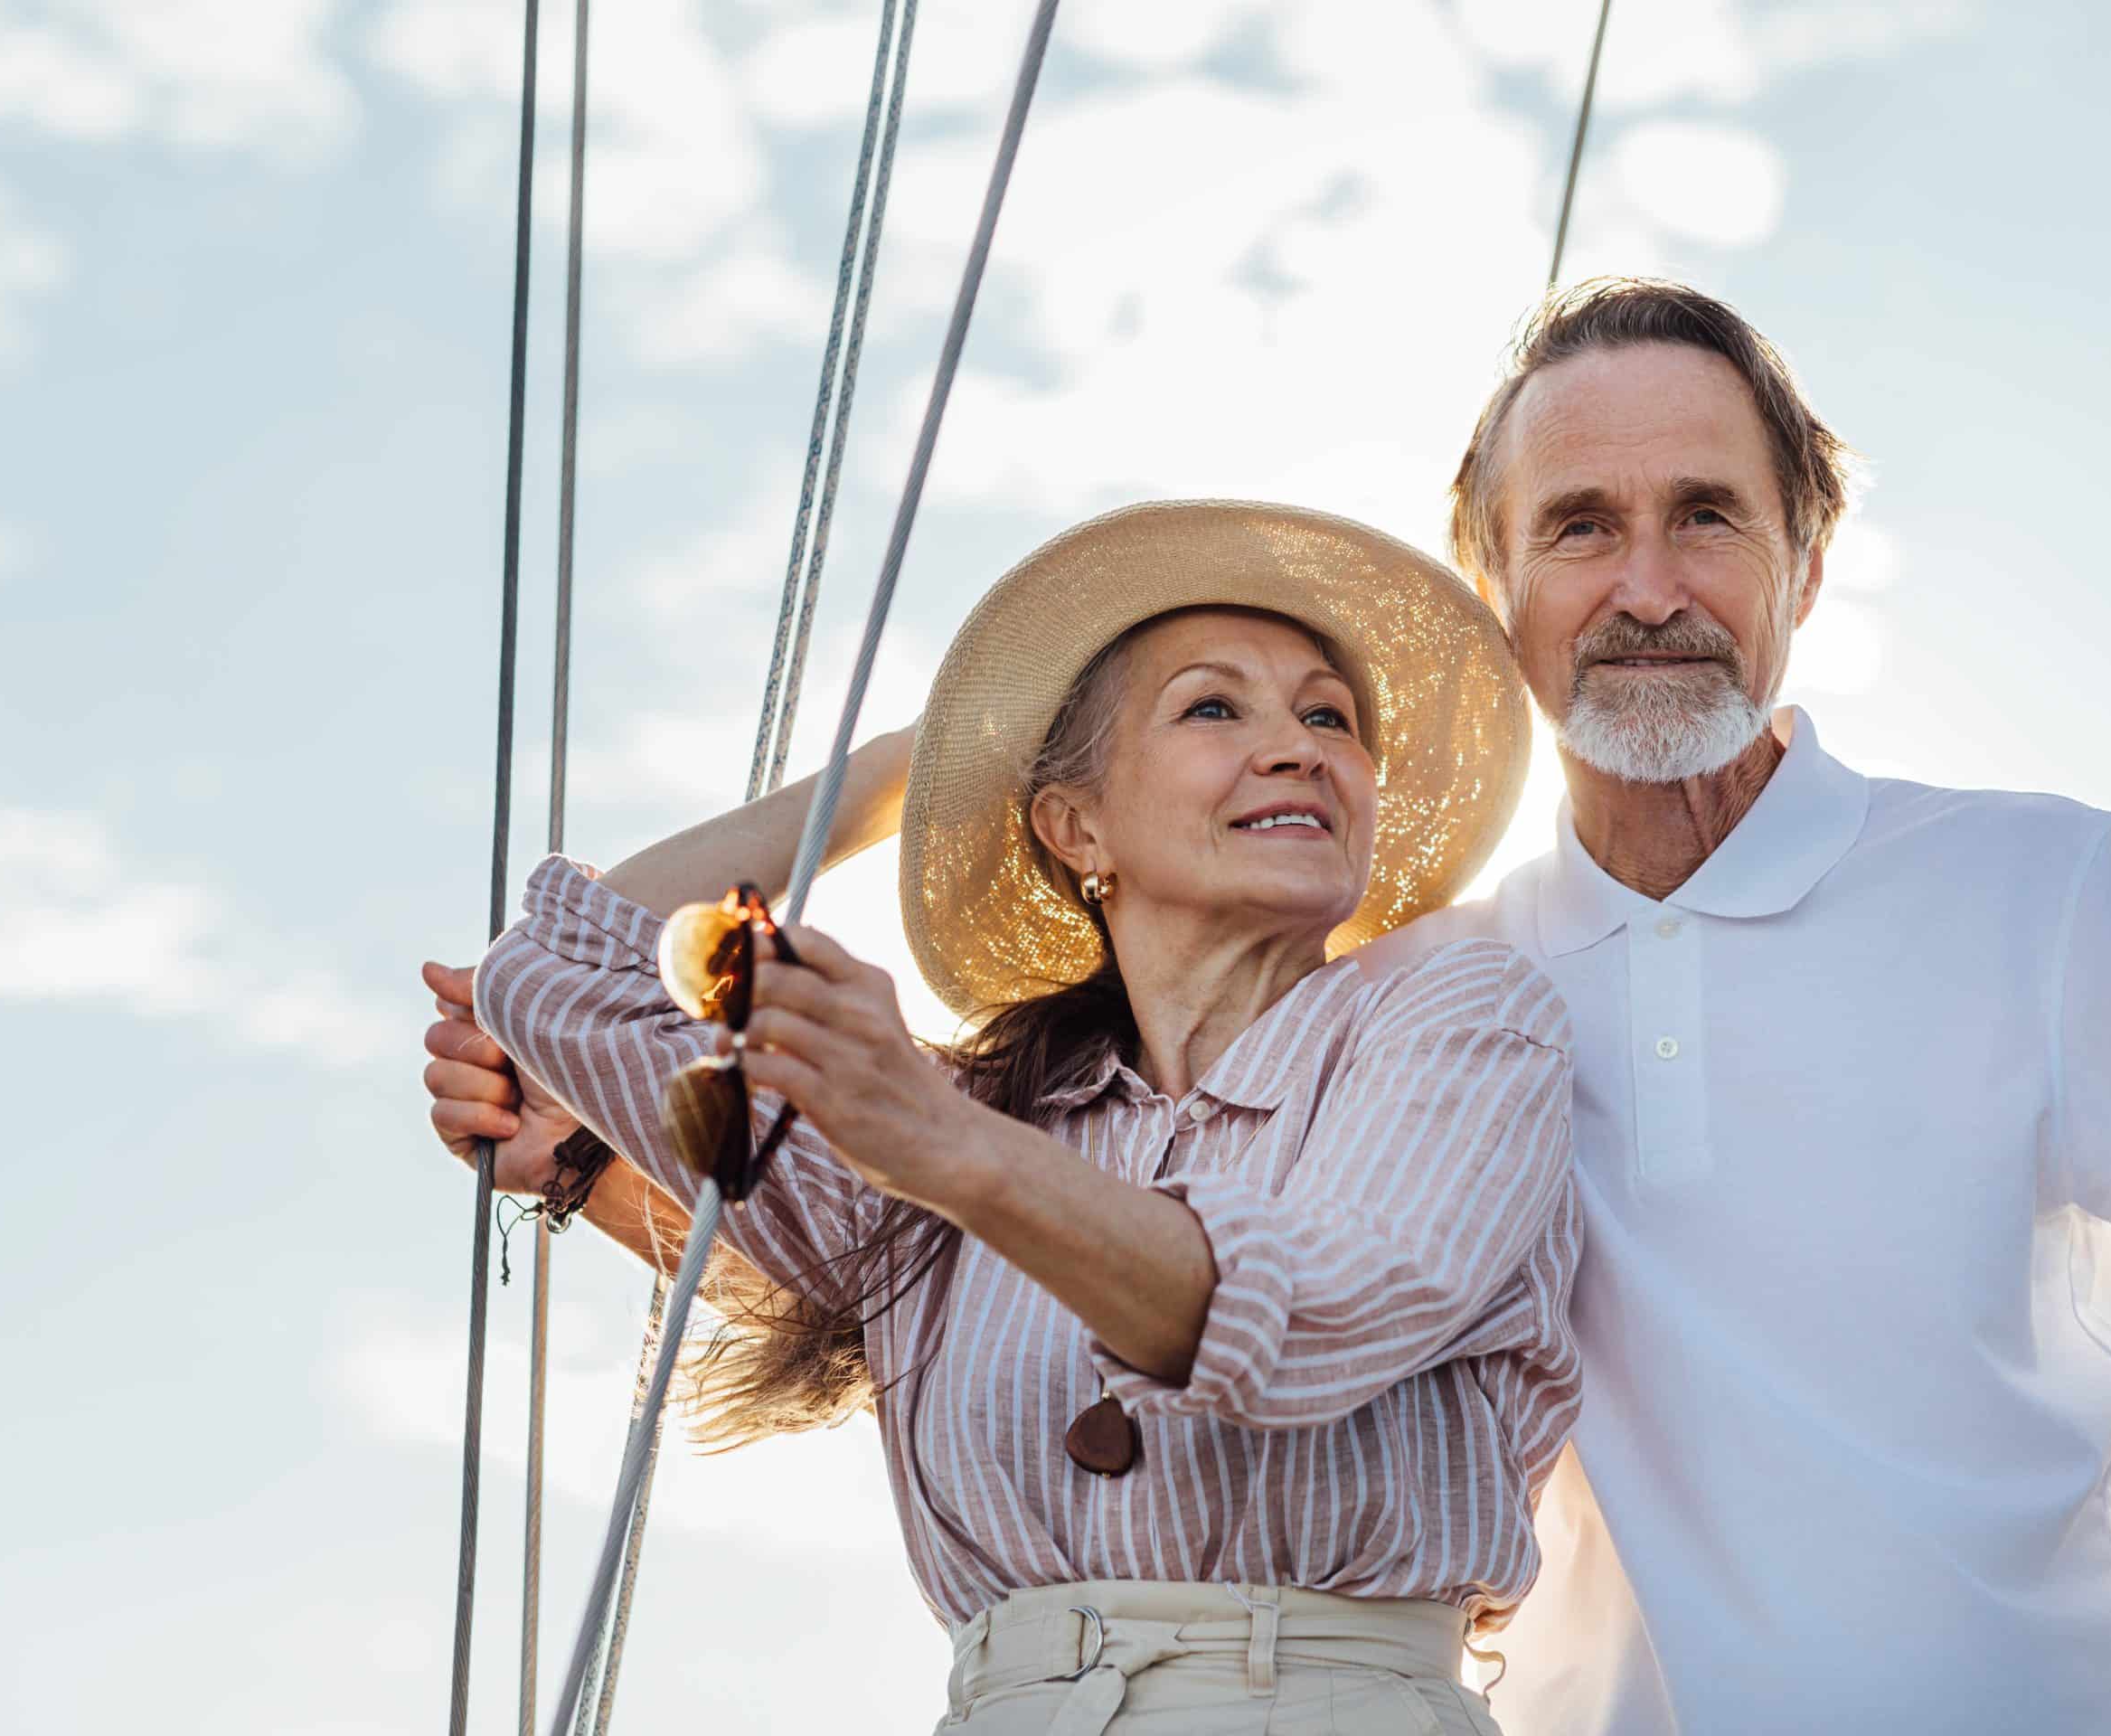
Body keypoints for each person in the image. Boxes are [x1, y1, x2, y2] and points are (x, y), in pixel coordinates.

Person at [1366, 276, 2111, 1735]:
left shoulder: (2039, 889)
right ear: (1490, 583)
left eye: (1707, 515)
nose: (1647, 590)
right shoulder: (1414, 999)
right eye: (1579, 526)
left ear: (1805, 566)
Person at [419, 502, 1581, 1735]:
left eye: (1329, 718)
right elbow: (555, 968)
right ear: (1076, 828)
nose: (1298, 748)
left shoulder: (1460, 1017)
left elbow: (1314, 1309)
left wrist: (944, 1148)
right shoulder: (968, 1116)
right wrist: (929, 761)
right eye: (1212, 707)